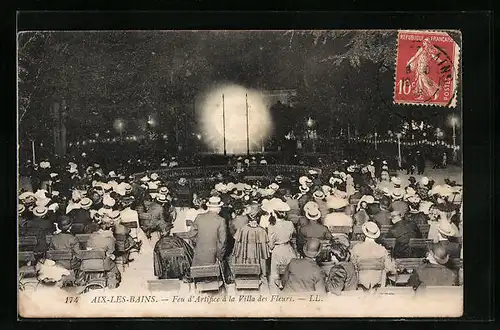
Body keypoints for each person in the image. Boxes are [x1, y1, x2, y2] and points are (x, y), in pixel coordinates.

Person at [351, 222, 397, 290]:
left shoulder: (356, 248)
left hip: (361, 281)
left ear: (364, 234)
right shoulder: (382, 249)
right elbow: (389, 268)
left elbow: (353, 265)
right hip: (378, 281)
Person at [231, 205, 270, 280]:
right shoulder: (262, 231)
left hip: (243, 268)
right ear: (258, 218)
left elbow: (236, 251)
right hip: (257, 269)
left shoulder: (241, 229)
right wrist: (264, 273)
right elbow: (263, 255)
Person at [186, 196, 227, 267]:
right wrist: (220, 256)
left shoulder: (199, 217)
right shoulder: (221, 220)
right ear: (218, 208)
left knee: (198, 274)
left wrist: (199, 242)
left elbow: (191, 234)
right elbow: (222, 241)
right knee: (212, 275)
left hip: (199, 253)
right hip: (213, 256)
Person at [85, 215, 121, 289]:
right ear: (110, 228)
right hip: (103, 264)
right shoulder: (110, 239)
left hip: (89, 262)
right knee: (113, 266)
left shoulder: (92, 236)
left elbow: (88, 248)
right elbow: (111, 252)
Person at [267, 198, 297, 285]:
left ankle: (277, 284)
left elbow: (271, 243)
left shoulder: (271, 226)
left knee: (275, 272)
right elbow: (292, 235)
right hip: (288, 249)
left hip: (277, 250)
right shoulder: (290, 223)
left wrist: (271, 248)